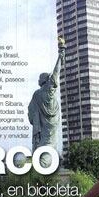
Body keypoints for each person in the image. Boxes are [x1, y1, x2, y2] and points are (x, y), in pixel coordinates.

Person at [28, 36, 66, 167]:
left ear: (42, 81)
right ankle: (47, 165)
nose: (38, 80)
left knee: (45, 145)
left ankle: (44, 166)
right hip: (52, 125)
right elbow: (56, 73)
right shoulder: (50, 91)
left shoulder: (38, 94)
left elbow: (30, 115)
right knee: (50, 144)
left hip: (43, 127)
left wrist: (61, 55)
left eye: (39, 79)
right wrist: (61, 55)